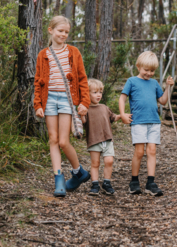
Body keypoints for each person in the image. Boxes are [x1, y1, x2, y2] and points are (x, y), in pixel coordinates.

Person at [34, 16, 91, 197]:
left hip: (67, 99)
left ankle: (78, 172)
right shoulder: (43, 55)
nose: (63, 35)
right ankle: (58, 178)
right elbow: (38, 82)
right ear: (50, 30)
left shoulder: (73, 52)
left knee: (64, 141)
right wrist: (38, 104)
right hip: (49, 99)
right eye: (60, 31)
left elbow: (82, 79)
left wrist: (84, 102)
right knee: (53, 139)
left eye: (66, 32)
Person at [119, 51, 175, 196]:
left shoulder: (154, 83)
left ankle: (151, 182)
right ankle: (134, 181)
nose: (149, 73)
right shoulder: (131, 81)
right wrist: (123, 114)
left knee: (152, 151)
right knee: (139, 152)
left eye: (152, 71)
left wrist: (168, 87)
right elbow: (122, 98)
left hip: (154, 122)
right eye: (146, 70)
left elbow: (162, 101)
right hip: (138, 122)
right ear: (138, 66)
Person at [82, 78, 121, 196]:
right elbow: (83, 122)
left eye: (100, 92)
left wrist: (122, 116)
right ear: (87, 93)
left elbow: (113, 117)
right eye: (94, 92)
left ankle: (107, 183)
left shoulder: (104, 107)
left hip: (107, 139)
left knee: (109, 161)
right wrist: (81, 114)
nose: (98, 95)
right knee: (95, 163)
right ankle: (95, 184)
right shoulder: (86, 109)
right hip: (94, 140)